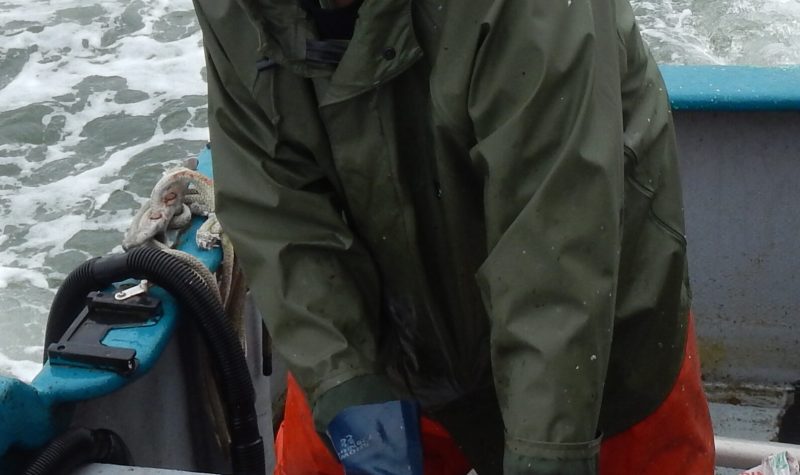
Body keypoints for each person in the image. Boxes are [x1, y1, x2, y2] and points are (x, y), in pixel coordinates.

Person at [191, 0, 716, 473]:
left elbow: (559, 230)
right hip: (382, 327)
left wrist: (548, 452)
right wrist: (342, 378)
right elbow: (273, 192)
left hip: (596, 336)